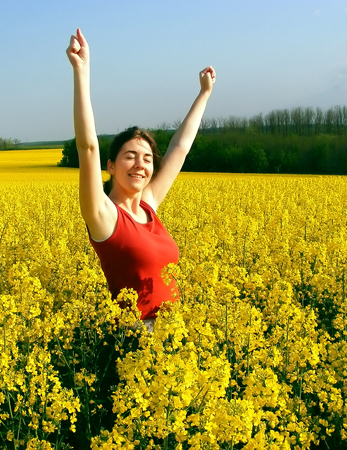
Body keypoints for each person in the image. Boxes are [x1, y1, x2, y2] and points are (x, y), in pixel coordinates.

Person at [66, 28, 215, 331]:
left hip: (174, 334)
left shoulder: (148, 206)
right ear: (110, 166)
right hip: (135, 343)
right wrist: (82, 72)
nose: (140, 165)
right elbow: (87, 147)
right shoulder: (105, 217)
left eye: (147, 158)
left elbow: (180, 148)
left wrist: (204, 94)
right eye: (130, 156)